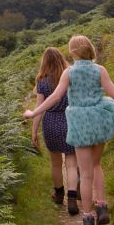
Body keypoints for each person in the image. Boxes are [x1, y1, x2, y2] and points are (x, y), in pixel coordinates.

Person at [24, 35, 114, 225]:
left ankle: (88, 221)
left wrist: (34, 113)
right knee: (96, 166)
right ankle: (102, 206)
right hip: (98, 120)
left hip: (79, 123)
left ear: (73, 52)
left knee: (85, 174)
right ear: (90, 50)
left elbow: (55, 97)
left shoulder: (69, 73)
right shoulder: (99, 70)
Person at [31, 47, 79, 215]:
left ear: (44, 62)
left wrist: (34, 131)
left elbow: (39, 108)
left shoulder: (42, 81)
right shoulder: (70, 75)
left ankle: (59, 195)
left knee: (56, 163)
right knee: (72, 163)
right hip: (70, 120)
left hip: (50, 123)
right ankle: (72, 198)